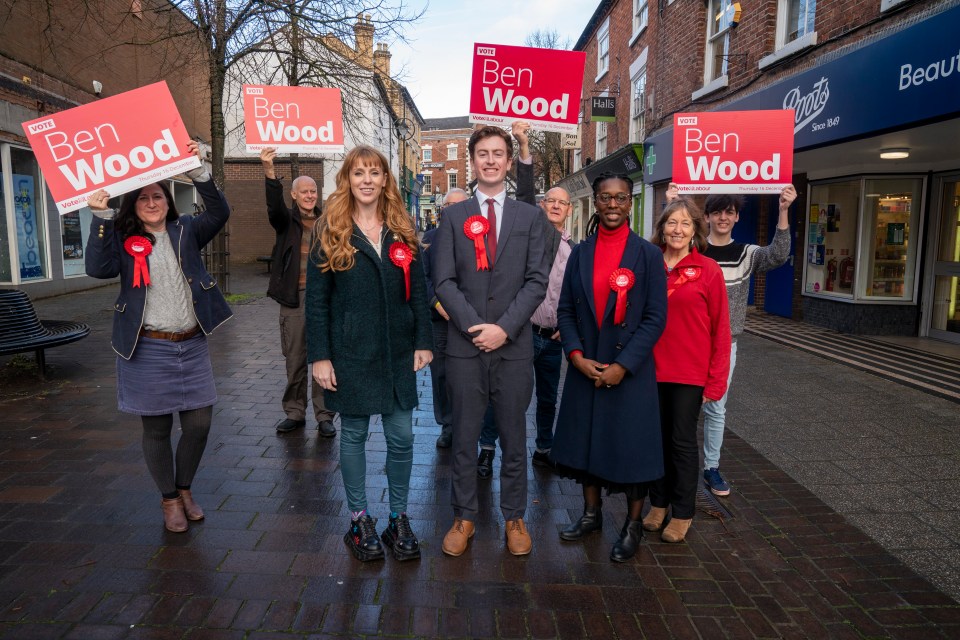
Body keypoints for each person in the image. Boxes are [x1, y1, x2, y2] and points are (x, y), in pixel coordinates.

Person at [84, 141, 232, 533]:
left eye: (158, 196)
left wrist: (200, 170)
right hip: (146, 346)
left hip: (191, 342)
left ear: (168, 200)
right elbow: (98, 269)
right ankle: (169, 500)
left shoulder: (187, 230)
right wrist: (100, 216)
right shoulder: (121, 237)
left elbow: (220, 211)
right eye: (143, 198)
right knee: (157, 429)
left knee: (199, 424)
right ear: (132, 205)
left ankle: (184, 488)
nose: (152, 202)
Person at [305, 145, 433, 562]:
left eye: (374, 173)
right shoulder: (330, 231)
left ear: (384, 180)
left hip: (397, 353)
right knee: (355, 436)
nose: (366, 179)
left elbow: (419, 294)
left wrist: (424, 341)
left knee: (402, 437)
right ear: (347, 179)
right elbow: (318, 303)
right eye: (358, 172)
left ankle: (398, 516)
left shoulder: (403, 230)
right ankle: (359, 518)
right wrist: (320, 356)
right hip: (351, 353)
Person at [433, 125, 549, 557]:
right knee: (463, 438)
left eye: (498, 153)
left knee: (514, 437)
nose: (491, 160)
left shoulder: (530, 217)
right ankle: (463, 517)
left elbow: (536, 281)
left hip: (514, 347)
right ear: (473, 160)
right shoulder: (453, 217)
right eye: (482, 153)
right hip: (465, 348)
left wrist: (504, 328)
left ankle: (514, 517)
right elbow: (442, 280)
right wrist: (473, 326)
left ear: (507, 159)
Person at [552, 173, 667, 562]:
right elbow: (565, 310)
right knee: (587, 442)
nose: (613, 205)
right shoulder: (580, 253)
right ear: (596, 203)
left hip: (629, 372)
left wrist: (624, 365)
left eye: (620, 198)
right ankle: (591, 514)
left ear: (630, 201)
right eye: (605, 198)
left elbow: (654, 318)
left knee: (631, 447)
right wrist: (575, 355)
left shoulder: (648, 255)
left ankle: (633, 525)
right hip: (587, 366)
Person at [700, 186, 797, 495]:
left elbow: (778, 255)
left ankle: (711, 468)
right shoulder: (694, 251)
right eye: (717, 211)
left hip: (723, 347)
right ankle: (676, 466)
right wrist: (672, 205)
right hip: (689, 344)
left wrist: (783, 210)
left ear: (737, 216)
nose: (723, 217)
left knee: (716, 408)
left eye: (729, 212)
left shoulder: (746, 253)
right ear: (707, 217)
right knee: (680, 408)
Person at [646, 197, 731, 543]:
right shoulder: (650, 265)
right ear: (662, 228)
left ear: (696, 230)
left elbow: (721, 329)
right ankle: (658, 503)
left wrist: (717, 380)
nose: (677, 230)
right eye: (671, 222)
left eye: (685, 223)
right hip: (649, 371)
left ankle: (683, 512)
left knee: (681, 443)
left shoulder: (708, 270)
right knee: (655, 442)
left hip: (688, 374)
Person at [260, 148, 336, 437]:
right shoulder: (285, 221)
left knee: (323, 356)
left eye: (313, 191)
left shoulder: (327, 223)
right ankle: (294, 412)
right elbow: (273, 207)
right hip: (295, 299)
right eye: (303, 191)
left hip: (324, 300)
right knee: (294, 359)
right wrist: (269, 171)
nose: (309, 196)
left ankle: (325, 415)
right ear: (294, 195)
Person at [421, 188, 469, 449]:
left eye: (458, 205)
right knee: (440, 375)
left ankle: (467, 424)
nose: (451, 210)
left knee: (468, 375)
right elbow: (424, 276)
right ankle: (447, 425)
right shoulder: (429, 238)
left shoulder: (479, 238)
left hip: (469, 321)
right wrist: (437, 304)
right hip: (439, 320)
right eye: (447, 206)